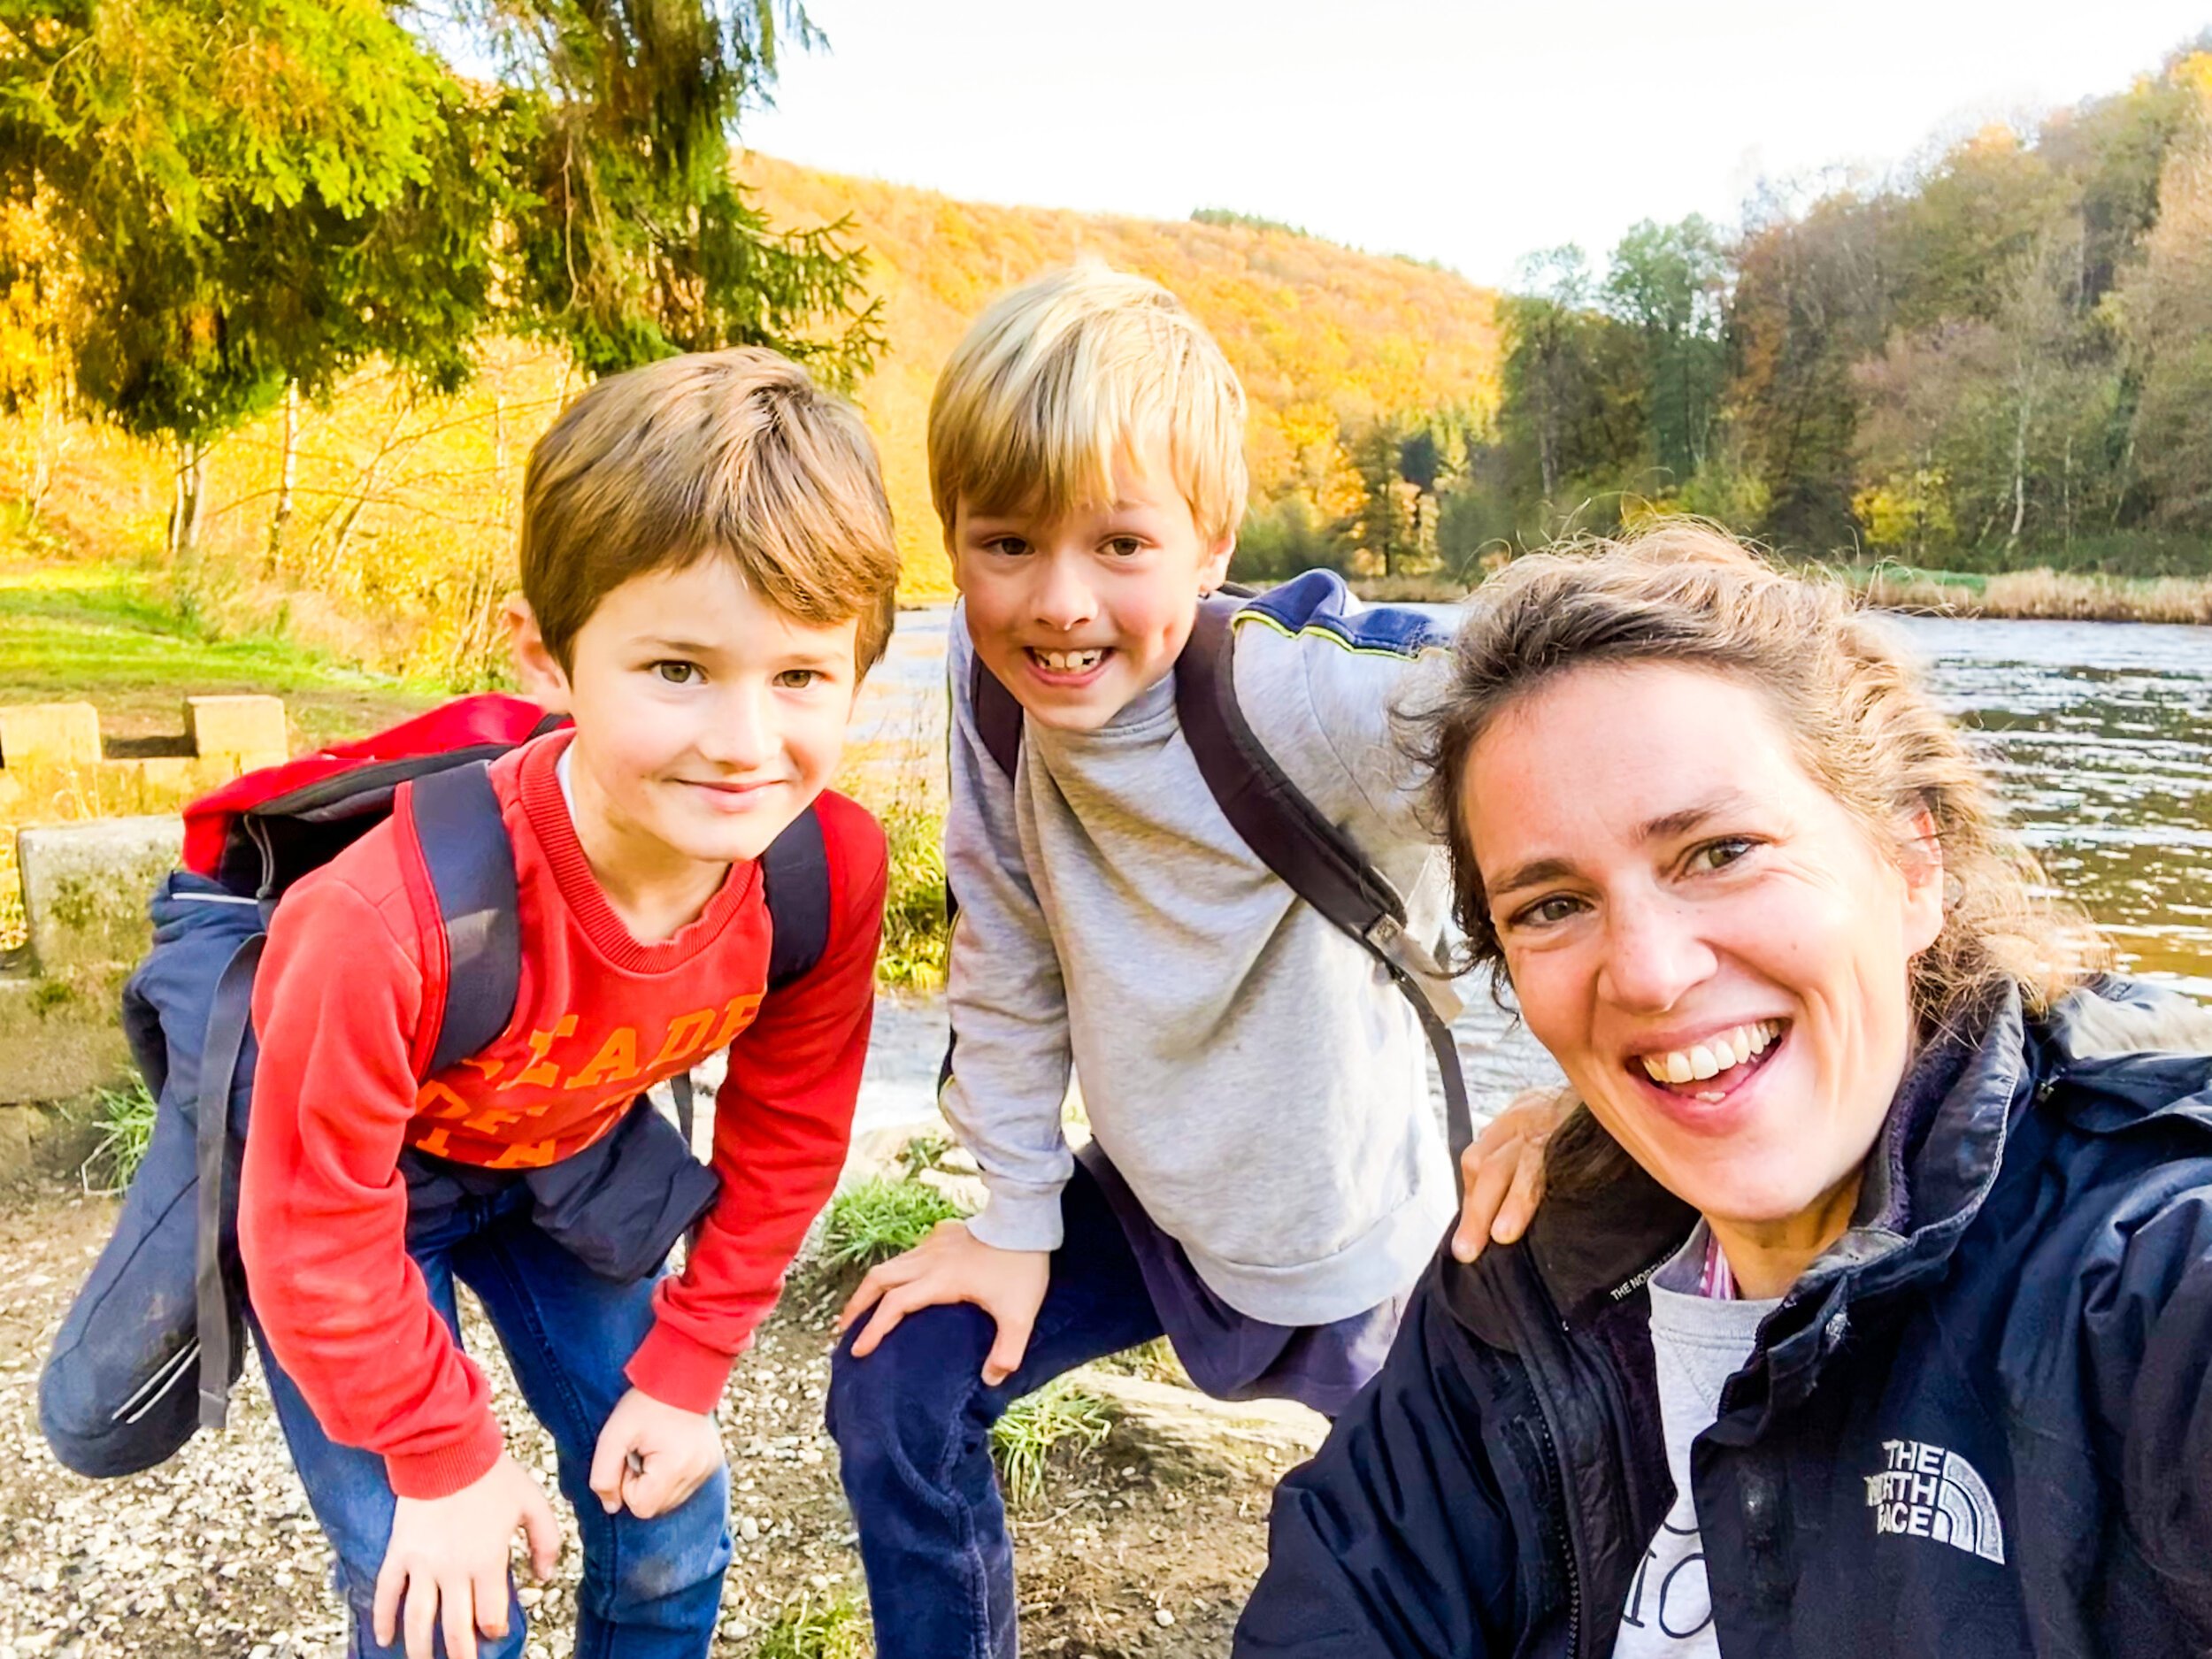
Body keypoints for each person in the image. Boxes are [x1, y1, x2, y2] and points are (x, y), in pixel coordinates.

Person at [1234, 523, 2212, 1657]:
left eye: (1720, 852)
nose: (1649, 973)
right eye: (1551, 906)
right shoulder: (1526, 1278)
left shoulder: (2145, 1291)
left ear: (1910, 869)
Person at [822, 262, 1547, 1659]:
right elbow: (1009, 956)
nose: (1058, 602)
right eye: (1007, 542)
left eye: (1122, 546)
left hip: (1363, 1247)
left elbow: (1566, 725)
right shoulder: (992, 703)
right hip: (1150, 1206)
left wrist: (1589, 1100)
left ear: (1212, 546)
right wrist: (1017, 1217)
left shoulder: (1309, 692)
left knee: (1430, 1571)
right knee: (893, 1383)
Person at [238, 349, 899, 1659]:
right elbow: (311, 1223)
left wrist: (693, 1361)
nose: (742, 739)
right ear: (550, 654)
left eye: (802, 677)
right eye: (675, 668)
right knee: (442, 1592)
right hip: (360, 1206)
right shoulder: (384, 922)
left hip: (561, 1159)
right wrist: (440, 1458)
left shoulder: (825, 871)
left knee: (673, 1527)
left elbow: (792, 1125)